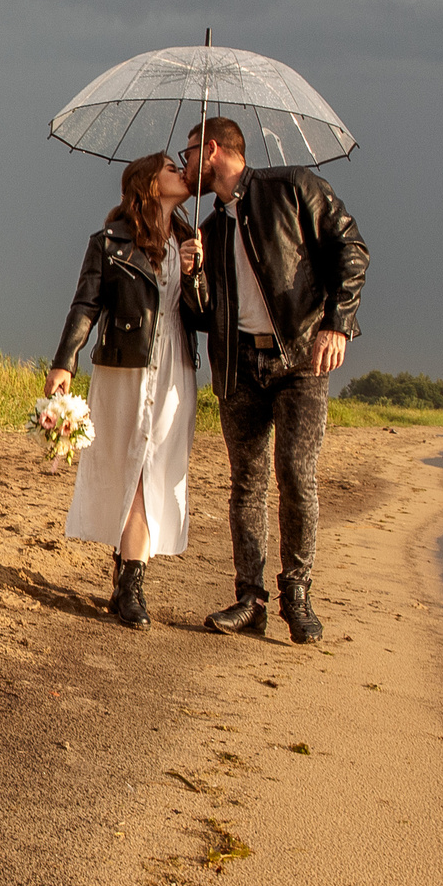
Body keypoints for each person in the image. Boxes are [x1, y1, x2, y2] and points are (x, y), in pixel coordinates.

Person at [181, 116, 370, 643]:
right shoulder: (208, 229)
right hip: (238, 366)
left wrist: (338, 324)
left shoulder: (293, 186)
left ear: (211, 149)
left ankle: (297, 595)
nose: (184, 164)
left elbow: (352, 249)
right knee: (246, 484)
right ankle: (251, 600)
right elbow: (202, 316)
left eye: (188, 153)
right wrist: (194, 275)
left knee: (295, 475)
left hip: (301, 359)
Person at [46, 152, 209, 630]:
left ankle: (128, 576)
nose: (182, 172)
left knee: (153, 467)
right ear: (148, 183)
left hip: (174, 369)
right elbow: (85, 304)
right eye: (171, 168)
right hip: (124, 368)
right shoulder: (108, 242)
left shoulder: (191, 241)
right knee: (131, 468)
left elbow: (203, 317)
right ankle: (131, 581)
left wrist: (195, 275)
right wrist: (64, 362)